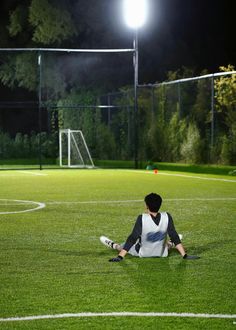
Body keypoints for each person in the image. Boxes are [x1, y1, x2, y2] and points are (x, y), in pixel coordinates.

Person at [100, 193, 200, 262]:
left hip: (143, 253)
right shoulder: (167, 216)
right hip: (162, 254)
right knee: (168, 243)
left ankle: (112, 244)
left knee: (123, 245)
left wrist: (120, 256)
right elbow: (173, 235)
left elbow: (132, 238)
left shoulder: (142, 218)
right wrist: (185, 255)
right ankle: (171, 243)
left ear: (147, 205)